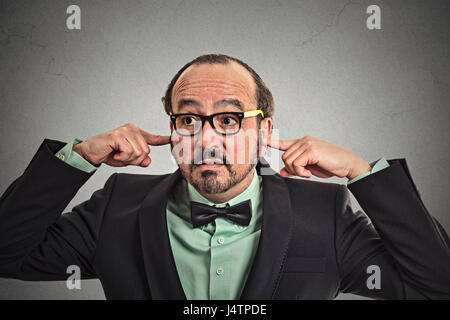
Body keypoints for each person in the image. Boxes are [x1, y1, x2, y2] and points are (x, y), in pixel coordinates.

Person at [0, 54, 449, 300]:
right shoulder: (118, 203)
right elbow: (6, 255)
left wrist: (362, 173)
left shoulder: (324, 212)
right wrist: (79, 158)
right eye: (189, 120)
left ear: (265, 130)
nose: (206, 138)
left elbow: (434, 284)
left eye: (230, 119)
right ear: (173, 129)